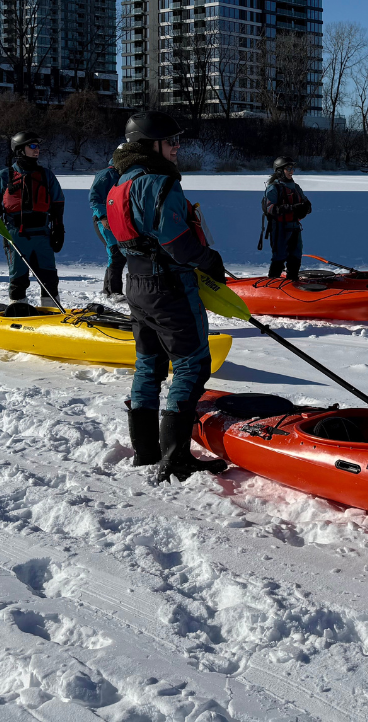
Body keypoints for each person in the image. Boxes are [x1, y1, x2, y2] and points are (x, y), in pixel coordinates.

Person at [109, 111, 228, 482]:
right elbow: (177, 241)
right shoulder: (160, 183)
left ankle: (146, 450)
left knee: (149, 365)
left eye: (178, 141)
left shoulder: (119, 185)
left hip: (138, 285)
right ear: (150, 146)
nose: (177, 148)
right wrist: (210, 260)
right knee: (193, 364)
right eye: (171, 142)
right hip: (170, 287)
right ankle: (175, 457)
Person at [0, 131, 65, 305]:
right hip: (15, 235)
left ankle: (50, 310)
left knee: (49, 277)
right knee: (18, 278)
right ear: (20, 149)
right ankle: (19, 310)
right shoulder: (3, 176)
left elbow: (58, 203)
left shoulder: (47, 176)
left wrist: (58, 228)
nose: (37, 150)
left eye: (38, 146)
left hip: (42, 234)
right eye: (33, 146)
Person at [261, 156, 312, 280]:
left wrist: (305, 208)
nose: (291, 171)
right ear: (279, 171)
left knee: (296, 255)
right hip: (280, 227)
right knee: (279, 256)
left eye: (292, 168)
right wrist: (293, 208)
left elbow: (306, 204)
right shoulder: (274, 188)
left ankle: (292, 281)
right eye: (288, 168)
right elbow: (271, 209)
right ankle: (272, 282)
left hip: (294, 226)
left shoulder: (296, 187)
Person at [89, 149, 125, 300]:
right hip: (104, 220)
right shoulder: (106, 174)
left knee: (120, 254)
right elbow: (94, 198)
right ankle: (113, 292)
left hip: (119, 220)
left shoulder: (125, 175)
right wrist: (103, 217)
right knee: (115, 252)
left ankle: (108, 290)